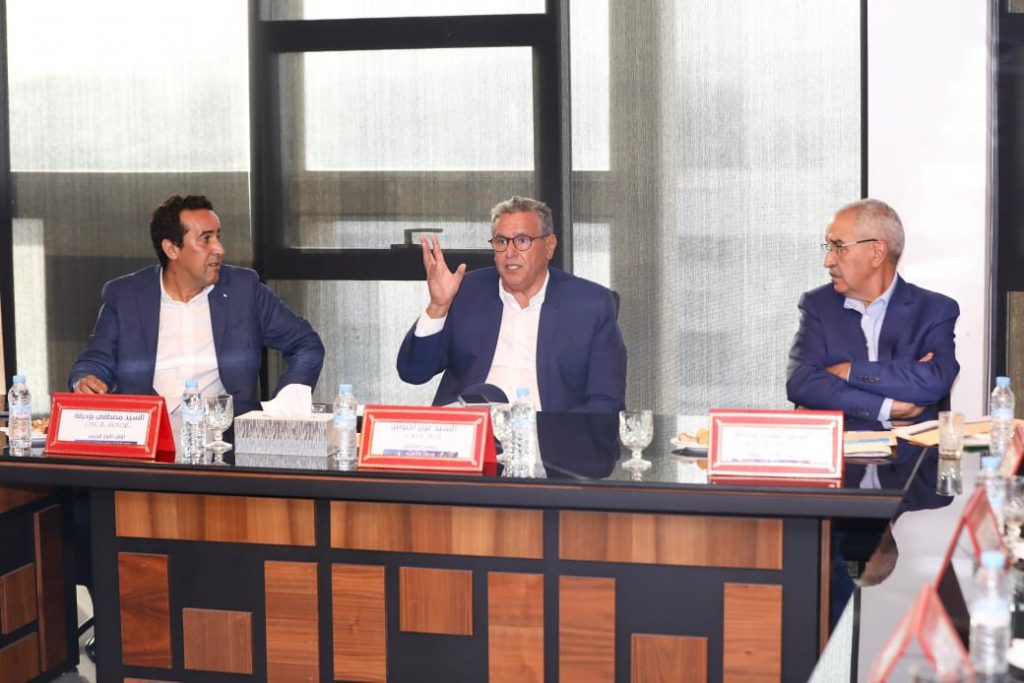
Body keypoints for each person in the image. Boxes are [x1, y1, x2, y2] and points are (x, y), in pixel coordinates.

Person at [68, 194, 325, 416]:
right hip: (149, 437)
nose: (219, 249)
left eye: (218, 237)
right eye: (206, 239)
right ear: (172, 249)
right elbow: (96, 361)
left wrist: (286, 403)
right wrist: (85, 380)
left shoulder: (244, 290)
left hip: (225, 440)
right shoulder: (126, 295)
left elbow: (306, 344)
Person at [397, 196, 626, 412]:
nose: (510, 252)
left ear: (549, 246)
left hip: (546, 435)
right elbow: (413, 372)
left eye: (522, 241)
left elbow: (606, 402)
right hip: (471, 431)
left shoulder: (590, 305)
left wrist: (547, 432)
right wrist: (438, 306)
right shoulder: (464, 291)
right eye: (501, 241)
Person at [786, 198, 960, 429]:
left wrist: (848, 371)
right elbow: (801, 382)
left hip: (909, 452)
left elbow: (934, 382)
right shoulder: (818, 305)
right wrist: (886, 408)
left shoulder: (934, 310)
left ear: (877, 252)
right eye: (828, 248)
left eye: (839, 247)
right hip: (843, 450)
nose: (828, 261)